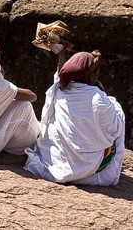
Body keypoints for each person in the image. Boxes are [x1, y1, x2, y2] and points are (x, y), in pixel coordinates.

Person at [24, 50, 125, 186]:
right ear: (90, 76)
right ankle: (102, 172)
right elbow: (114, 129)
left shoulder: (59, 89)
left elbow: (62, 72)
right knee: (117, 110)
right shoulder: (98, 98)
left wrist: (61, 53)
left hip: (55, 161)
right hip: (88, 169)